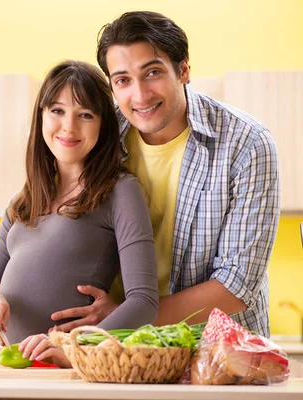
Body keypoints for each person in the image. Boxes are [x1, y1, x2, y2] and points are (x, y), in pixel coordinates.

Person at [50, 11, 279, 338]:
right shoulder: (98, 136)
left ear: (183, 70)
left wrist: (126, 319)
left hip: (217, 357)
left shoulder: (246, 144)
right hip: (111, 352)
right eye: (123, 80)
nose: (140, 95)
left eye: (152, 72)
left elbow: (237, 286)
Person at [0, 60, 159, 364]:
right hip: (21, 370)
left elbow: (144, 302)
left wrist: (76, 349)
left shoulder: (119, 191)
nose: (69, 126)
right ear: (41, 116)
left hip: (76, 375)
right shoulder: (23, 203)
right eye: (57, 111)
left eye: (85, 115)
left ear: (103, 126)